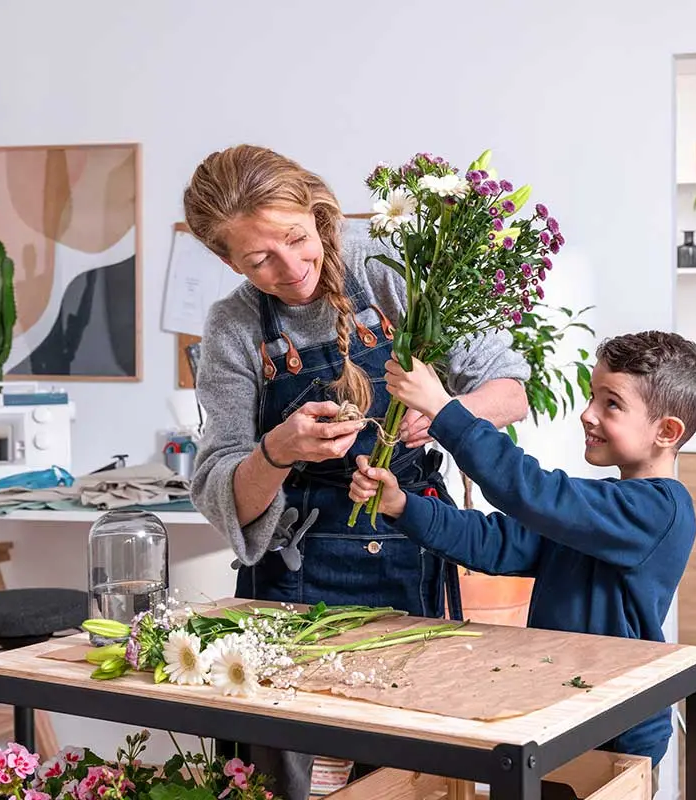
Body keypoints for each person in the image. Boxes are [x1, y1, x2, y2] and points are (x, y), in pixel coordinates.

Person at [182, 144, 530, 799]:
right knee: (287, 779)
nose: (290, 268)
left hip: (410, 552)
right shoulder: (233, 327)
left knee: (413, 771)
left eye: (294, 239)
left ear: (316, 214)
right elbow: (219, 489)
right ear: (227, 261)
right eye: (260, 260)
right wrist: (278, 450)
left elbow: (511, 389)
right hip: (293, 581)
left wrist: (446, 415)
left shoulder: (385, 269)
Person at [349, 330, 696, 797]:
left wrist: (444, 410)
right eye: (591, 396)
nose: (588, 413)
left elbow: (532, 491)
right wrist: (402, 506)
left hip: (614, 733)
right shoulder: (595, 512)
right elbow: (495, 542)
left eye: (611, 404)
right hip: (559, 716)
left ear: (666, 431)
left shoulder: (661, 511)